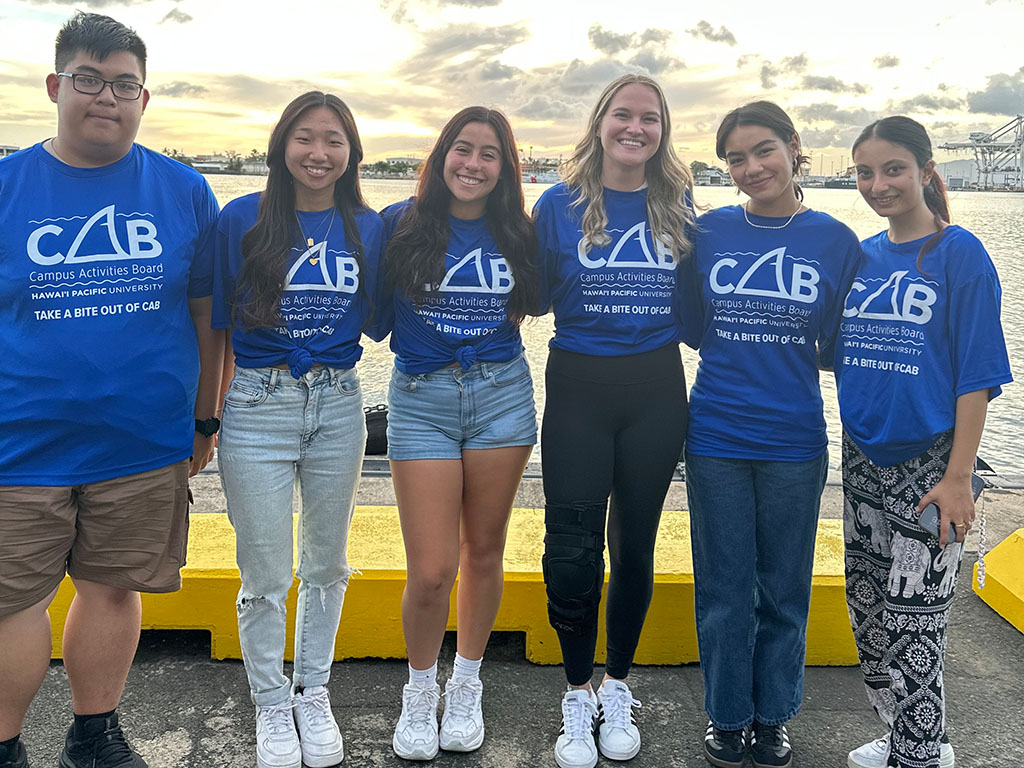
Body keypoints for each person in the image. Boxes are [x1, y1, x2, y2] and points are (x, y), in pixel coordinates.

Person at [0, 12, 223, 768]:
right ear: (57, 85)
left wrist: (205, 421)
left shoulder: (186, 190)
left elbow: (205, 317)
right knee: (10, 603)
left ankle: (94, 734)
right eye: (90, 80)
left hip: (141, 440)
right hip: (19, 443)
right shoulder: (5, 187)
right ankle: (4, 744)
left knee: (113, 589)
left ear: (145, 98)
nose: (108, 97)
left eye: (125, 84)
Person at [684, 101, 862, 768]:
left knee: (785, 587)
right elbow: (693, 323)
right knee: (725, 589)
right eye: (735, 157)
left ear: (794, 149)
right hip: (716, 436)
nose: (750, 166)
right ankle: (728, 716)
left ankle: (774, 716)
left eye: (762, 150)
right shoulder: (710, 232)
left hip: (794, 439)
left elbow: (842, 340)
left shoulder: (835, 241)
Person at [212, 91, 384, 768]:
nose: (319, 153)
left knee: (325, 565)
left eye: (334, 140)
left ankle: (313, 691)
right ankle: (270, 700)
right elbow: (215, 322)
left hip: (339, 403)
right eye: (305, 138)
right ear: (282, 146)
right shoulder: (241, 220)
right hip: (256, 404)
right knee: (263, 572)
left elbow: (379, 314)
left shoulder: (367, 227)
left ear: (352, 152)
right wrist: (210, 413)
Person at [533, 74, 694, 768]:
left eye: (649, 119)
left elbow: (700, 304)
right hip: (577, 386)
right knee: (571, 550)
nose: (636, 128)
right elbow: (528, 291)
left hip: (655, 388)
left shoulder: (679, 204)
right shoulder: (556, 205)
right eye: (623, 115)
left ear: (662, 131)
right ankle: (576, 694)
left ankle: (618, 685)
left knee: (634, 548)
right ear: (600, 122)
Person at [840, 116, 1011, 768]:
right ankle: (909, 736)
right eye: (865, 172)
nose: (878, 184)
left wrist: (960, 475)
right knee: (870, 613)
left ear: (923, 171)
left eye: (892, 169)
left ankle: (919, 757)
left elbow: (977, 373)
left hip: (931, 466)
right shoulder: (862, 256)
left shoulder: (958, 253)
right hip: (861, 459)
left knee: (917, 626)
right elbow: (843, 349)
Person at [378, 106, 539, 761]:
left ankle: (466, 682)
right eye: (462, 149)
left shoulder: (521, 235)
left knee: (482, 553)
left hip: (502, 394)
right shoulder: (399, 225)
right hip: (421, 399)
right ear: (442, 155)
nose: (472, 164)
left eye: (489, 154)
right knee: (432, 571)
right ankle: (420, 690)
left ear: (505, 169)